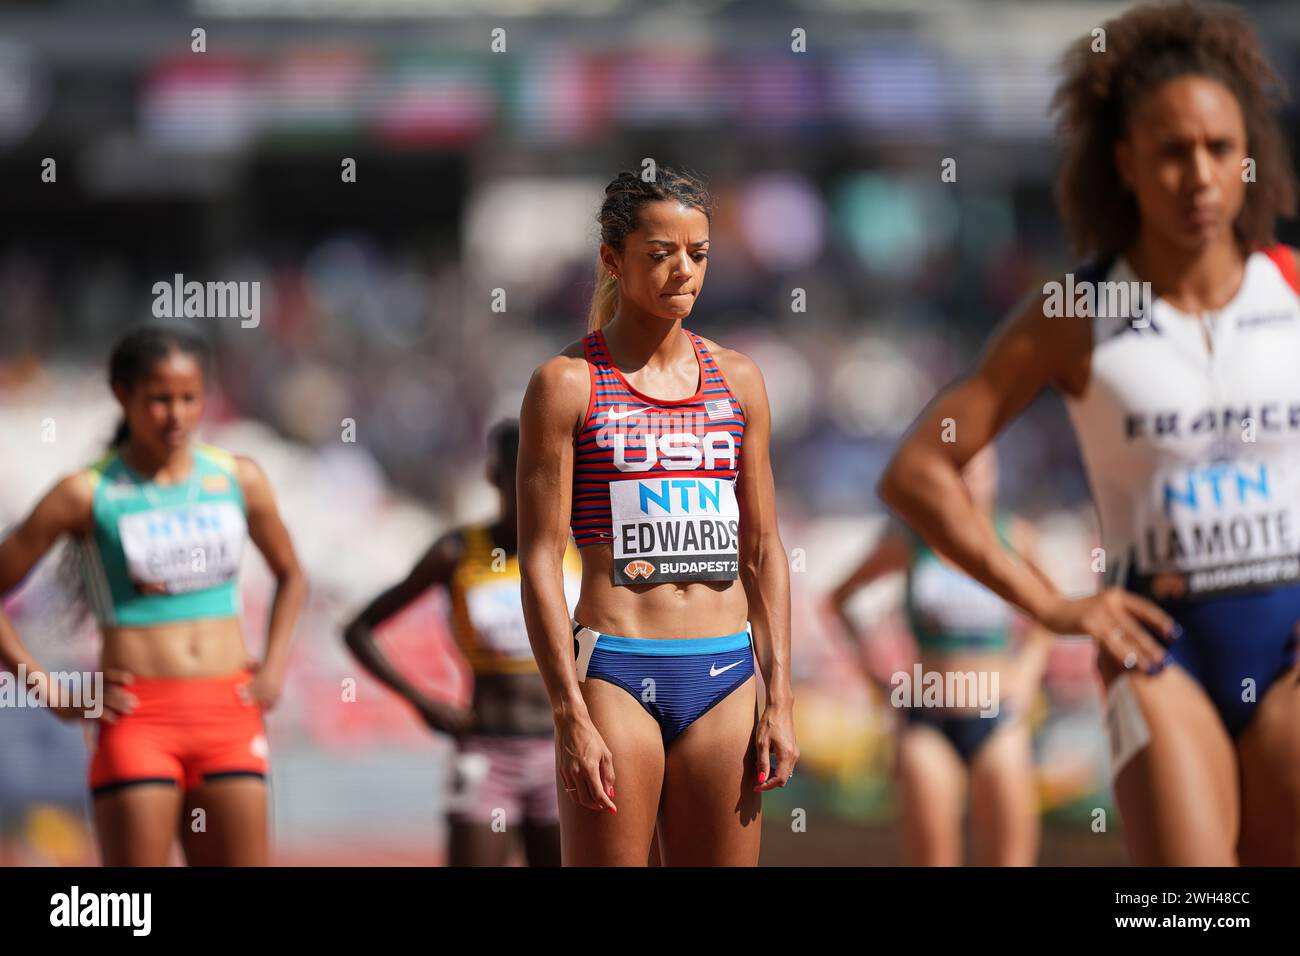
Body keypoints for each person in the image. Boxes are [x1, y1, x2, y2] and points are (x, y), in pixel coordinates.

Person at [878, 0, 1300, 865]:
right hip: (1162, 649)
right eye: (1171, 151)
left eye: (1220, 149)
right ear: (1126, 162)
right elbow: (918, 470)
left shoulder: (1291, 289)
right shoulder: (1076, 312)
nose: (1200, 176)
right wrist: (1052, 603)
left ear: (1248, 157)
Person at [517, 167, 798, 866]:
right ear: (613, 259)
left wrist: (781, 695)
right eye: (660, 253)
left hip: (725, 674)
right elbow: (539, 561)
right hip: (615, 671)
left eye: (698, 255)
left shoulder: (739, 379)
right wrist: (567, 713)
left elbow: (762, 548)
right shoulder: (566, 383)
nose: (683, 271)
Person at [0, 322, 305, 866]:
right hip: (138, 717)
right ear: (123, 396)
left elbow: (291, 575)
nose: (176, 415)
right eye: (159, 400)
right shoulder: (87, 492)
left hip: (229, 712)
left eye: (190, 398)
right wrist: (49, 691)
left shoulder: (239, 477)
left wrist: (274, 666)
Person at [344, 420, 580, 866]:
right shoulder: (457, 552)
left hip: (561, 750)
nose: (531, 484)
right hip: (485, 751)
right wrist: (423, 703)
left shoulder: (577, 550)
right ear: (494, 475)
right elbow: (358, 630)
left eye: (544, 470)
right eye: (519, 470)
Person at [831, 448, 1051, 865]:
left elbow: (1053, 612)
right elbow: (839, 599)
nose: (971, 481)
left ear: (996, 474)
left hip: (999, 716)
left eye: (981, 469)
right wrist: (877, 678)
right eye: (961, 471)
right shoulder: (912, 541)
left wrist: (1027, 672)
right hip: (928, 717)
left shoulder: (1013, 536)